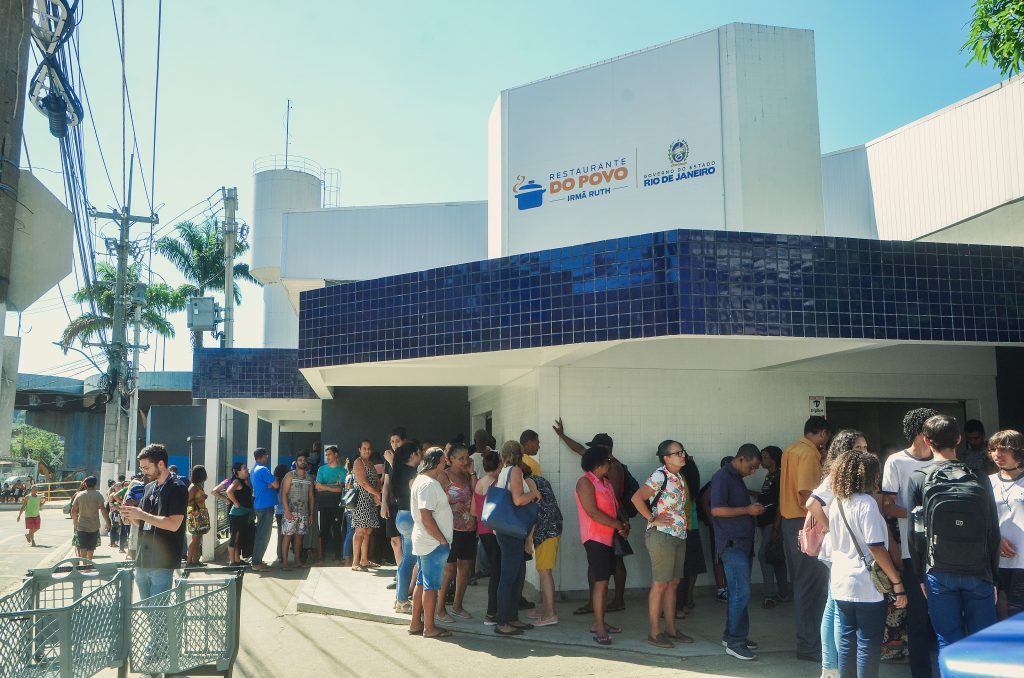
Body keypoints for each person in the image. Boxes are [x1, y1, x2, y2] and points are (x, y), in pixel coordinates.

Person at [909, 414, 1000, 652]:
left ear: (927, 441)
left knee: (948, 641)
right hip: (979, 570)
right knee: (983, 643)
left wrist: (920, 575)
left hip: (938, 571)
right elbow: (992, 530)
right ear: (959, 439)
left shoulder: (919, 478)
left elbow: (915, 535)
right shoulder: (980, 477)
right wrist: (994, 577)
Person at [829, 448, 907, 678]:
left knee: (846, 640)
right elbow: (876, 547)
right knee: (867, 643)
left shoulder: (837, 503)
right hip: (865, 584)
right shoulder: (867, 503)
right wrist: (897, 582)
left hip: (840, 581)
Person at [880, 407, 939, 678]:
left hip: (945, 552)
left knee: (944, 615)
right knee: (918, 616)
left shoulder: (943, 458)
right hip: (912, 550)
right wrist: (923, 514)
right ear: (918, 433)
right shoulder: (896, 462)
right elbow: (888, 507)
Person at [806, 429, 871, 678]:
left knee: (833, 605)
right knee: (835, 608)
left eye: (865, 447)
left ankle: (831, 667)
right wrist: (832, 527)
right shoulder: (837, 474)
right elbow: (811, 503)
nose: (864, 452)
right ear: (845, 450)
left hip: (840, 550)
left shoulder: (851, 475)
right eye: (858, 448)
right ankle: (833, 667)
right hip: (837, 550)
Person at [554, 419, 630, 613]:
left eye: (595, 448)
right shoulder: (598, 465)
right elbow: (579, 449)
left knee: (616, 560)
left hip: (612, 519)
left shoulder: (613, 467)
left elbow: (613, 498)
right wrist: (562, 435)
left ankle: (617, 601)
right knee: (598, 564)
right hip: (604, 524)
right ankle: (595, 603)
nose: (590, 451)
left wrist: (618, 523)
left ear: (605, 449)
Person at [631, 439, 694, 648]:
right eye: (678, 453)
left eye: (683, 452)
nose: (682, 455)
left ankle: (671, 629)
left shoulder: (679, 477)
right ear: (666, 458)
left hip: (678, 535)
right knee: (660, 584)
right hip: (662, 535)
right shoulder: (660, 476)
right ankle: (654, 632)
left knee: (673, 583)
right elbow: (636, 498)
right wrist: (652, 518)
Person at [780, 416, 832, 661]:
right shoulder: (809, 453)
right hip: (806, 525)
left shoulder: (790, 450)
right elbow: (806, 495)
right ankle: (810, 645)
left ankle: (810, 642)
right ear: (822, 433)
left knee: (802, 585)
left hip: (790, 524)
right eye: (826, 437)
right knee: (811, 587)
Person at [710, 444, 765, 661]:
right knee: (741, 592)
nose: (753, 472)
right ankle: (735, 641)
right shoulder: (722, 477)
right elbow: (717, 510)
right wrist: (748, 510)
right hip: (732, 544)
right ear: (741, 459)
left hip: (742, 543)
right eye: (751, 467)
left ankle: (732, 635)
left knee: (738, 592)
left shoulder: (737, 478)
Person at [575, 444, 629, 646]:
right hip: (595, 538)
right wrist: (617, 525)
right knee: (601, 582)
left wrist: (623, 524)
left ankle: (601, 622)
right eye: (608, 461)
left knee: (605, 582)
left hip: (609, 537)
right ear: (598, 463)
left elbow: (615, 507)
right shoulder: (585, 482)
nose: (611, 464)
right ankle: (598, 626)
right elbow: (592, 512)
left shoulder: (605, 483)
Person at [121, 444, 189, 599]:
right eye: (142, 468)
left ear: (161, 464)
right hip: (142, 560)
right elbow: (143, 523)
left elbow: (173, 524)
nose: (144, 472)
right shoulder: (149, 487)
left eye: (147, 468)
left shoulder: (177, 487)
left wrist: (141, 515)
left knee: (157, 610)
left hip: (162, 562)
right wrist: (131, 516)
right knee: (146, 608)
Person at [490, 440, 539, 637]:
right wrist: (534, 494)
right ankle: (503, 621)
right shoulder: (516, 471)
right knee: (510, 577)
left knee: (516, 575)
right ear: (520, 453)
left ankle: (511, 617)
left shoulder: (504, 471)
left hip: (506, 529)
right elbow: (518, 500)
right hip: (512, 531)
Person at [408, 447, 455, 639]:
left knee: (422, 582)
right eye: (444, 461)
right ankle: (429, 627)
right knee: (431, 586)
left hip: (426, 541)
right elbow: (426, 517)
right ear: (437, 462)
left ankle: (415, 623)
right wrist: (442, 540)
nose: (446, 463)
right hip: (432, 543)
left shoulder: (422, 481)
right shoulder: (428, 484)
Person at [437, 443, 477, 621]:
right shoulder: (444, 476)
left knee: (465, 569)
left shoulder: (467, 475)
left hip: (468, 527)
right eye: (461, 458)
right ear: (451, 459)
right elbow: (435, 502)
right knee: (449, 569)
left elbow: (477, 494)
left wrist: (472, 473)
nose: (465, 461)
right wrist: (452, 506)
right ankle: (440, 609)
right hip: (450, 528)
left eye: (467, 457)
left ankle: (457, 606)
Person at [988, 429, 1024, 619]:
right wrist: (997, 538)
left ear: (1017, 451)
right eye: (993, 449)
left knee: (1017, 611)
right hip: (996, 558)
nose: (997, 454)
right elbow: (981, 519)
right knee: (1000, 611)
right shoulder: (988, 482)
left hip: (1022, 559)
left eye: (1003, 449)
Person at [527, 460, 563, 627]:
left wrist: (528, 539)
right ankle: (546, 609)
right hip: (553, 527)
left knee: (544, 571)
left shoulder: (528, 483)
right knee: (543, 570)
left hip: (546, 531)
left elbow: (534, 510)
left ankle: (551, 614)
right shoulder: (539, 480)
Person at [755, 445, 790, 608]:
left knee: (764, 555)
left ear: (774, 459)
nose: (762, 460)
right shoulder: (770, 476)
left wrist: (776, 526)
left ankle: (769, 595)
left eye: (765, 456)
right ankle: (784, 592)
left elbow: (781, 502)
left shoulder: (779, 477)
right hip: (766, 522)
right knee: (776, 556)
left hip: (773, 523)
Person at [390, 441, 422, 612]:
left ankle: (399, 599)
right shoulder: (411, 473)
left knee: (405, 561)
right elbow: (417, 496)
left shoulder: (398, 472)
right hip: (411, 517)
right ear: (412, 455)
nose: (421, 455)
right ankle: (402, 601)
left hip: (401, 516)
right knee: (409, 561)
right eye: (419, 452)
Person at [473, 450, 502, 624]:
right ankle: (491, 613)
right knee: (497, 573)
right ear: (499, 465)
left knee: (495, 571)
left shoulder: (478, 483)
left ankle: (493, 611)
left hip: (483, 531)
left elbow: (474, 511)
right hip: (494, 531)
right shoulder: (496, 484)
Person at [677, 448, 707, 615]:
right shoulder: (693, 476)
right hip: (693, 526)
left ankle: (680, 602)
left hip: (680, 528)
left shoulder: (678, 480)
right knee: (692, 566)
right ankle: (689, 597)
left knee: (680, 567)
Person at [280, 451, 314, 570]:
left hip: (303, 512)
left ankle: (297, 561)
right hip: (291, 511)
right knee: (287, 536)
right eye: (300, 460)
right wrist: (286, 511)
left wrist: (311, 514)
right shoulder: (290, 475)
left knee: (299, 537)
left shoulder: (309, 477)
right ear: (296, 462)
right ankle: (285, 563)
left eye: (304, 460)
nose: (302, 462)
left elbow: (311, 497)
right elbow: (283, 494)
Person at [351, 438, 382, 569]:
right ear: (359, 449)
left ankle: (364, 560)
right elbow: (363, 482)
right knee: (360, 531)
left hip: (371, 501)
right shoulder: (358, 462)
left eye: (369, 448)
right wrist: (377, 494)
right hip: (361, 501)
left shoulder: (370, 463)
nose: (367, 451)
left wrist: (376, 494)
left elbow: (378, 481)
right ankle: (355, 562)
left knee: (368, 531)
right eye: (364, 448)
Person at [380, 427, 408, 576]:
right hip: (391, 503)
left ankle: (408, 576)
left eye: (398, 441)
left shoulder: (409, 458)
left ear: (404, 441)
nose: (395, 444)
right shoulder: (388, 459)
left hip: (405, 504)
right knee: (395, 540)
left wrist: (392, 462)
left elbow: (404, 478)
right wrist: (384, 503)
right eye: (392, 441)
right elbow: (386, 483)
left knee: (406, 541)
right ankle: (400, 574)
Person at [314, 445, 347, 564]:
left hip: (337, 505)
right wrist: (333, 486)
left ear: (336, 455)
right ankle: (321, 558)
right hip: (323, 505)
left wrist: (324, 486)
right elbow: (318, 487)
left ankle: (338, 556)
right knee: (323, 531)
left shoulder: (343, 470)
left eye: (329, 454)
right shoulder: (321, 469)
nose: (327, 457)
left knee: (337, 530)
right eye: (326, 455)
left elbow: (340, 489)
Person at [249, 449, 279, 571]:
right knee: (263, 535)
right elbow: (276, 484)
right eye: (266, 456)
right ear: (262, 457)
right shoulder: (263, 469)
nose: (267, 458)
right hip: (265, 506)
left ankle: (257, 560)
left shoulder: (254, 469)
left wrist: (269, 484)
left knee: (261, 533)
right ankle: (256, 562)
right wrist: (271, 484)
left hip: (260, 505)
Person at [71, 476, 109, 560]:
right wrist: (107, 522)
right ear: (95, 484)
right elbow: (103, 509)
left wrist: (75, 521)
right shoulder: (98, 495)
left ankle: (84, 564)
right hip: (94, 526)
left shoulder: (79, 495)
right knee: (91, 547)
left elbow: (73, 510)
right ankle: (89, 564)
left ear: (85, 484)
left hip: (81, 525)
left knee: (83, 546)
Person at [225, 463, 254, 566]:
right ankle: (232, 562)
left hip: (244, 514)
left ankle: (237, 560)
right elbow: (229, 491)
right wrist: (235, 503)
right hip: (237, 515)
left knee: (240, 538)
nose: (247, 469)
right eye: (244, 468)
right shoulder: (237, 481)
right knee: (234, 537)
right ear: (238, 471)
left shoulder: (245, 481)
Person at [185, 465, 210, 566]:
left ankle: (195, 560)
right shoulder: (193, 487)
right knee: (195, 538)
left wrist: (202, 498)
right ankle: (189, 562)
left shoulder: (199, 486)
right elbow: (188, 502)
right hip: (195, 514)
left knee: (199, 538)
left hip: (201, 513)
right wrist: (200, 499)